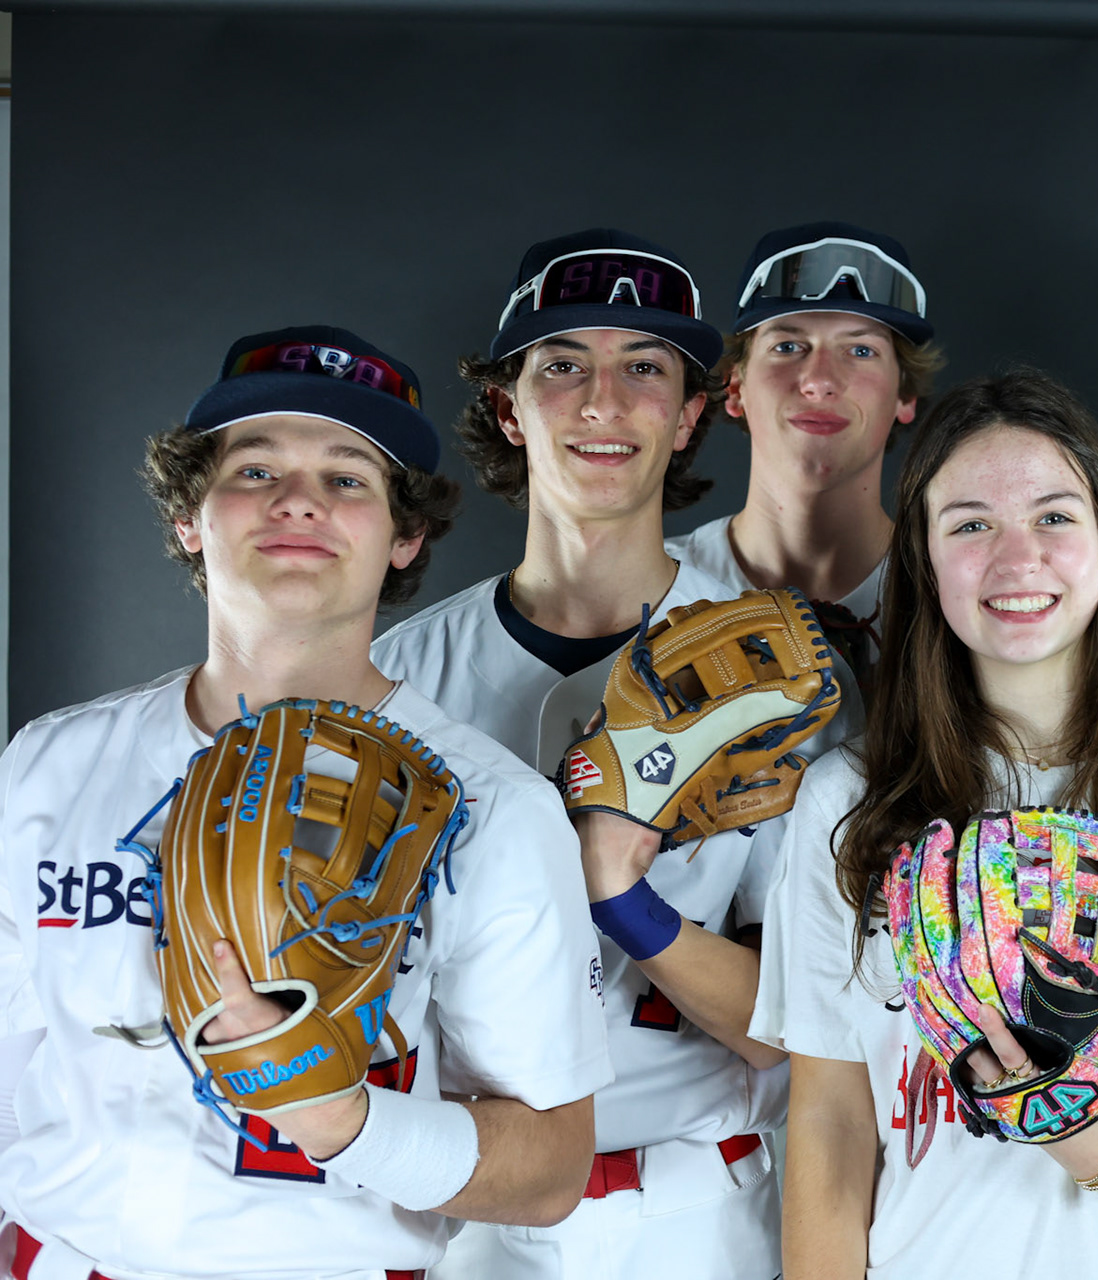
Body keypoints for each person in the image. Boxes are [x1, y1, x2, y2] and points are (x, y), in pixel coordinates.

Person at [0, 326, 611, 1276]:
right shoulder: (48, 764)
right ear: (188, 518)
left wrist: (344, 1119)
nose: (296, 501)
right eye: (253, 468)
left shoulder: (493, 807)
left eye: (347, 477)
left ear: (405, 536)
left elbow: (552, 1166)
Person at [750, 370, 1098, 1279]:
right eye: (971, 524)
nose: (1017, 561)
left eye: (1054, 517)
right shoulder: (846, 800)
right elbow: (829, 1116)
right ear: (925, 558)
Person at [374, 230, 829, 1280]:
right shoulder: (396, 679)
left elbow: (805, 1031)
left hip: (702, 1213)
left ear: (689, 413)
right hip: (463, 1210)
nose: (601, 401)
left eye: (646, 368)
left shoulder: (779, 672)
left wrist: (621, 897)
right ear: (507, 406)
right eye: (562, 364)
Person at [667, 222, 943, 696]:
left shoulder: (958, 593)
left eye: (860, 350)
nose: (819, 381)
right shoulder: (653, 591)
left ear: (905, 393)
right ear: (735, 387)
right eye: (788, 346)